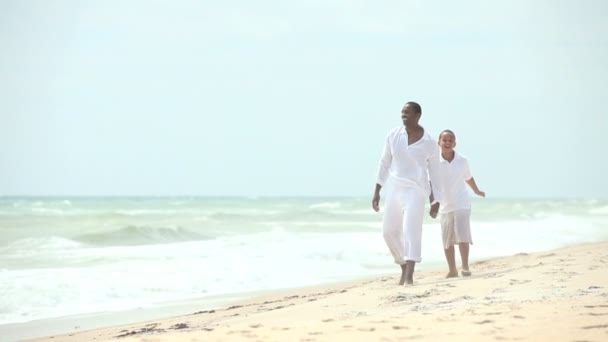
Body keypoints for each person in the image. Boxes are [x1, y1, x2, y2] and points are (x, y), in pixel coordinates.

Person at [372, 101, 442, 285]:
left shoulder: (430, 143)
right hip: (394, 187)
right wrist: (377, 189)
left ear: (417, 115)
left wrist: (436, 200)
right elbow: (384, 162)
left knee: (411, 230)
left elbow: (434, 173)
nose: (404, 115)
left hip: (416, 190)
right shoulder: (393, 135)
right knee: (389, 232)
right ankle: (403, 264)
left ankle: (410, 275)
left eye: (408, 112)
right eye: (402, 112)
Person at [432, 129, 485, 278]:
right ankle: (452, 270)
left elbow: (468, 178)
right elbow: (430, 183)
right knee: (447, 241)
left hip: (462, 203)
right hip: (444, 206)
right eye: (445, 140)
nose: (447, 143)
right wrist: (433, 202)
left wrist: (476, 190)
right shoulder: (433, 162)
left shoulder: (462, 161)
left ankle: (465, 267)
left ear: (455, 143)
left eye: (450, 140)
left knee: (462, 236)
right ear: (439, 143)